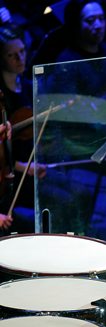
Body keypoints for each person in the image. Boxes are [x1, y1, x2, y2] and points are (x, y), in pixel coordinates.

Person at [0, 24, 46, 236]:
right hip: (13, 174)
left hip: (28, 166)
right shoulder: (2, 98)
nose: (20, 59)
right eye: (12, 55)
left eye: (22, 52)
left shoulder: (29, 87)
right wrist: (24, 168)